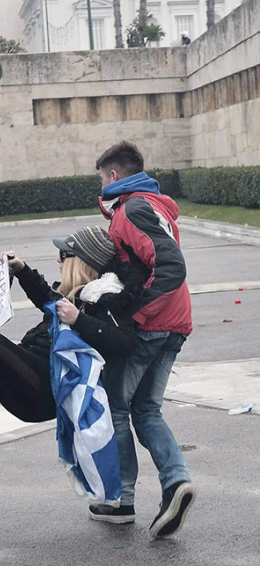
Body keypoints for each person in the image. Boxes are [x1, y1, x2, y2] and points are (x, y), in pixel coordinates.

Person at [94, 141, 195, 538]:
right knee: (147, 410)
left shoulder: (130, 209)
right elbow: (140, 262)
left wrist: (132, 314)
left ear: (114, 176)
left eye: (102, 177)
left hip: (152, 325)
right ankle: (176, 482)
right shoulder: (151, 204)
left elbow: (169, 266)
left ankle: (121, 500)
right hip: (175, 323)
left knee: (118, 406)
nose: (100, 185)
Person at [0, 225, 142, 425]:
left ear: (82, 262)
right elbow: (45, 297)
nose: (58, 259)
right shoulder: (74, 296)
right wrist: (21, 269)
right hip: (31, 370)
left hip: (44, 387)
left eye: (64, 255)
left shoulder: (106, 298)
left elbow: (126, 343)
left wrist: (78, 320)